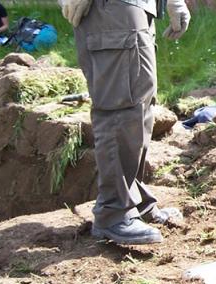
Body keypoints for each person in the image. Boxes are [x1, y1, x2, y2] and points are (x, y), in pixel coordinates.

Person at [58, 0, 190, 244]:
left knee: (139, 104)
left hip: (135, 7)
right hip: (110, 8)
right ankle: (113, 212)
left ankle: (132, 201)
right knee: (120, 104)